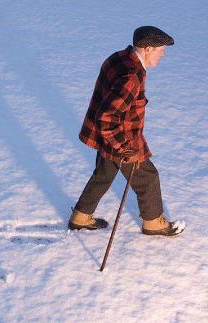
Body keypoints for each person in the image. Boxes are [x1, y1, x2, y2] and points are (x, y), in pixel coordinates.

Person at [69, 26, 185, 236]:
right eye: (160, 49)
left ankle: (81, 215)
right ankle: (153, 223)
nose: (163, 53)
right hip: (120, 139)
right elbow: (107, 117)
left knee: (104, 174)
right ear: (147, 49)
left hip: (107, 137)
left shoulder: (119, 58)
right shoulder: (132, 76)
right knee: (148, 178)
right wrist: (123, 147)